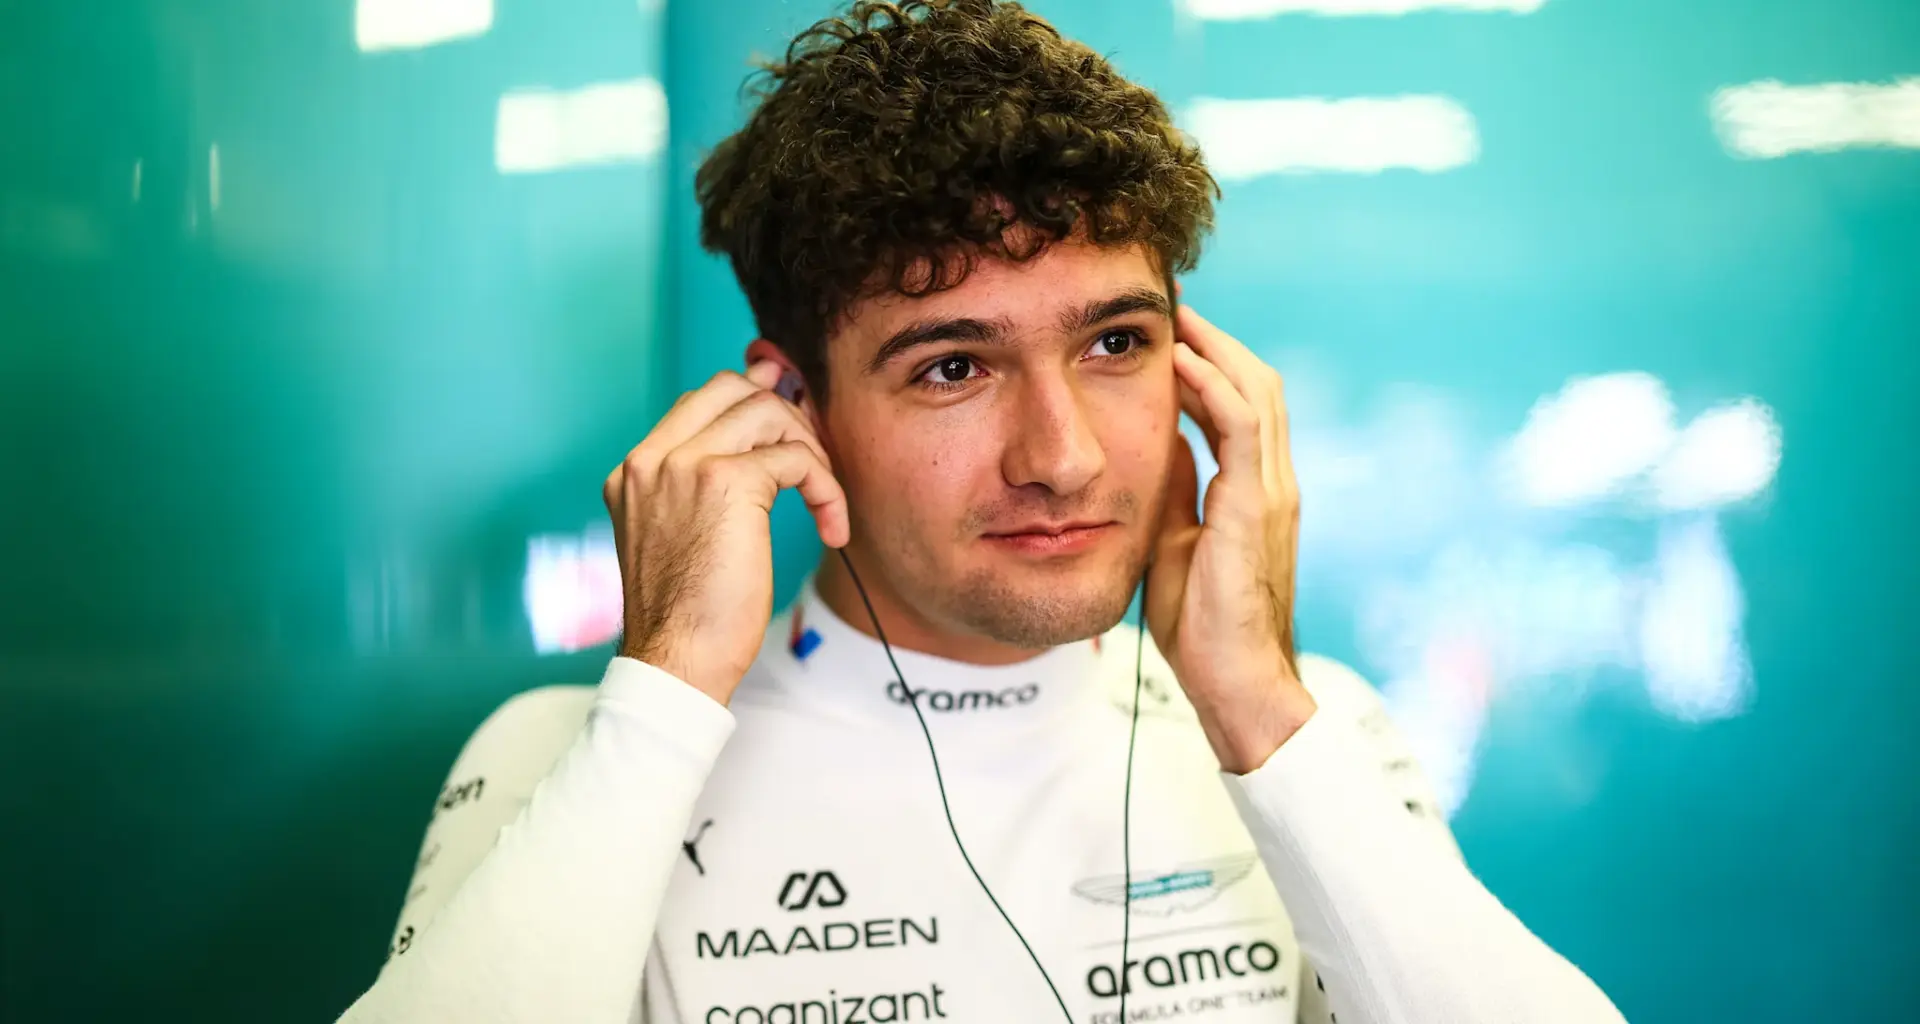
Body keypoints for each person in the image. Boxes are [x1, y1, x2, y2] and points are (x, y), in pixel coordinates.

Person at [337, 2, 1628, 1021]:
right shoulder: (575, 751)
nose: (1062, 458)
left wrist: (1257, 709)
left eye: (1116, 344)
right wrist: (668, 687)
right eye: (952, 366)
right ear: (793, 408)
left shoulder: (1311, 726)